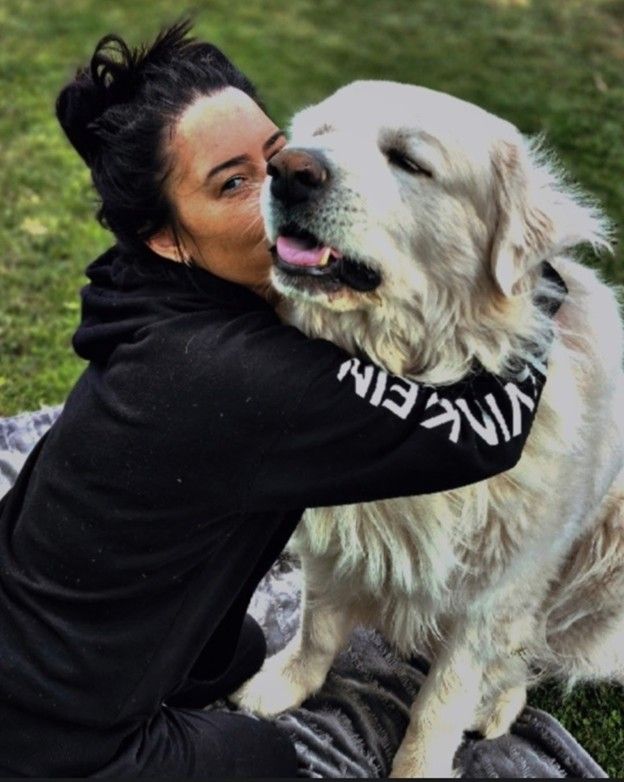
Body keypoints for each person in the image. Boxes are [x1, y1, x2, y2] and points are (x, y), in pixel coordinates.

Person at [0, 20, 566, 778]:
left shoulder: (142, 293)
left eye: (278, 160)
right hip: (56, 742)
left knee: (235, 651)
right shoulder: (227, 374)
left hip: (39, 632)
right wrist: (541, 285)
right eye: (233, 184)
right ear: (165, 236)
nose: (284, 188)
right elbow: (478, 433)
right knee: (267, 755)